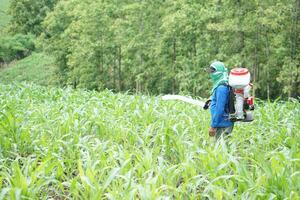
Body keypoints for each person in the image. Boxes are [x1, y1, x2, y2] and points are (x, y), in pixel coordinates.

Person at [206, 61, 234, 139]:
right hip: (222, 122)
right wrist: (210, 101)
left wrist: (213, 126)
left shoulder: (222, 87)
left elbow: (220, 109)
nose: (211, 74)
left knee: (222, 147)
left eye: (213, 71)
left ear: (219, 71)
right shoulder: (221, 83)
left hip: (223, 124)